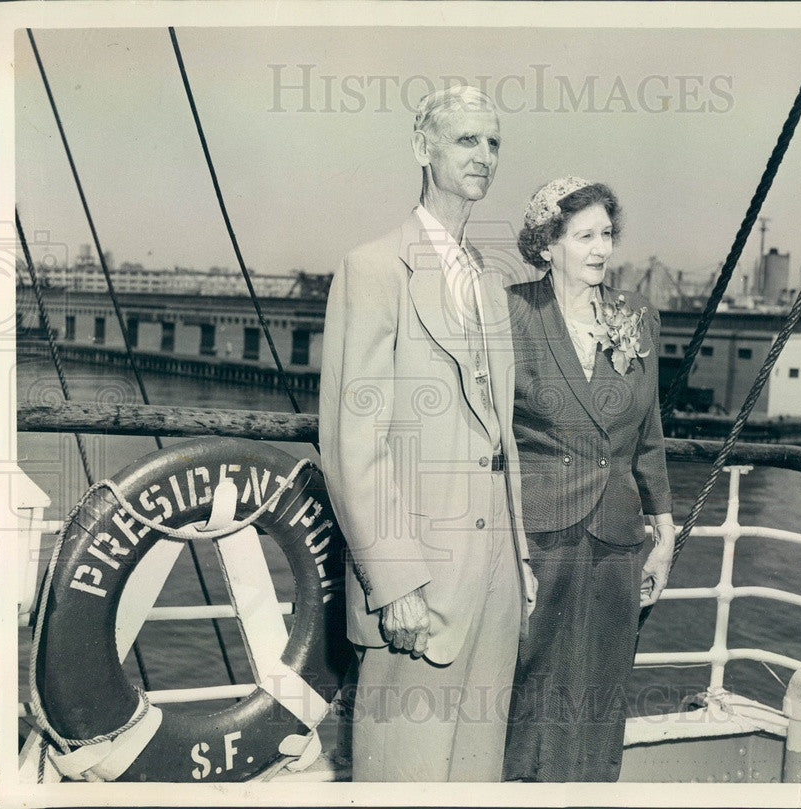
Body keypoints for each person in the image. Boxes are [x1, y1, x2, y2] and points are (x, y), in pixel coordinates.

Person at [318, 86, 536, 782]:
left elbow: (499, 437)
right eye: (467, 140)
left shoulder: (489, 282)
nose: (484, 156)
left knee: (476, 775)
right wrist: (393, 579)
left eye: (493, 142)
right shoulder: (374, 268)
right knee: (401, 776)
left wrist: (521, 559)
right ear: (423, 149)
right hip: (417, 585)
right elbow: (355, 442)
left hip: (494, 583)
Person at [502, 177, 675, 782]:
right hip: (538, 536)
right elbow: (491, 437)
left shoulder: (635, 317)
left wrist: (664, 530)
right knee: (530, 684)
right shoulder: (511, 313)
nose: (601, 248)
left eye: (606, 234)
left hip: (617, 537)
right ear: (547, 245)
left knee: (603, 687)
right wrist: (506, 544)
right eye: (584, 236)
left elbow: (647, 433)